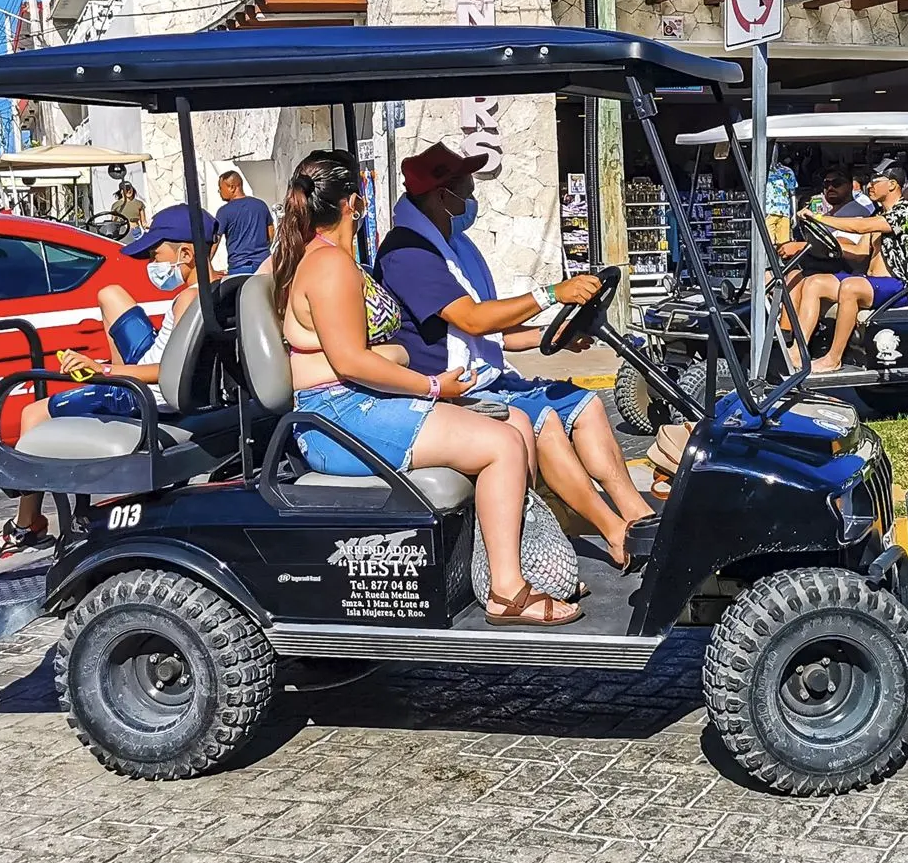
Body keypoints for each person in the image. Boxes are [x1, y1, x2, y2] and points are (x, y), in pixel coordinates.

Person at [278, 152, 579, 627]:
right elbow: (350, 360)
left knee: (515, 422)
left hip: (361, 404)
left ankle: (526, 560)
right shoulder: (329, 265)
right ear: (355, 203)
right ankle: (506, 590)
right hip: (339, 416)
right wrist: (433, 385)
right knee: (500, 444)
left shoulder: (332, 260)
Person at [378, 142, 656, 570]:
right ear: (440, 195)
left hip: (486, 373)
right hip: (451, 388)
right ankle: (614, 532)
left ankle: (639, 517)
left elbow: (496, 335)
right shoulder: (408, 253)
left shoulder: (455, 246)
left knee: (585, 406)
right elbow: (471, 320)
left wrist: (553, 335)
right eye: (464, 188)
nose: (472, 196)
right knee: (542, 423)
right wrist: (550, 293)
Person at [0, 206, 218, 560]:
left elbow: (169, 371)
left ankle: (27, 525)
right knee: (110, 293)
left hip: (145, 394)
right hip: (151, 374)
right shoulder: (224, 284)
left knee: (34, 414)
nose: (153, 263)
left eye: (156, 254)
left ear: (184, 253)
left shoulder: (188, 300)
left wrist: (101, 372)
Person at [789, 167, 908, 373]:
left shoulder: (906, 212)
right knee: (815, 282)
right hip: (873, 282)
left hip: (902, 286)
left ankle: (833, 358)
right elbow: (860, 252)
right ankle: (798, 352)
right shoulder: (880, 213)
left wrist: (820, 218)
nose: (869, 185)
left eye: (875, 180)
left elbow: (860, 228)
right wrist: (828, 245)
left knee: (851, 286)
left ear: (893, 184)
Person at [215, 170, 274, 276]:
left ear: (232, 187)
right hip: (265, 265)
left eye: (220, 187)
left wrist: (205, 268)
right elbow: (271, 233)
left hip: (239, 268)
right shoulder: (261, 205)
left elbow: (215, 241)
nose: (219, 191)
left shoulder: (224, 211)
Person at [762, 156, 798, 246]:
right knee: (767, 245)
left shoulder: (787, 171)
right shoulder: (760, 170)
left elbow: (792, 194)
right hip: (767, 212)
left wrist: (793, 214)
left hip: (785, 213)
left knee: (784, 246)